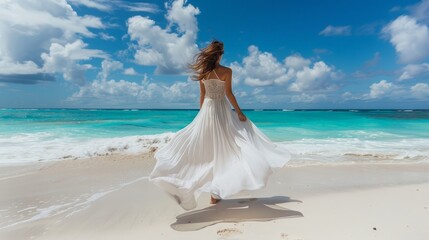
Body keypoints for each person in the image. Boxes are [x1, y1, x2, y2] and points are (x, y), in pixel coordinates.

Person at [149, 40, 291, 210]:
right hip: (221, 110)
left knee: (209, 150)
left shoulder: (204, 72)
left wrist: (202, 114)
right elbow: (229, 93)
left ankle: (203, 189)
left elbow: (202, 95)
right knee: (227, 148)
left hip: (208, 110)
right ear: (220, 54)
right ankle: (214, 194)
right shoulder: (227, 71)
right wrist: (239, 111)